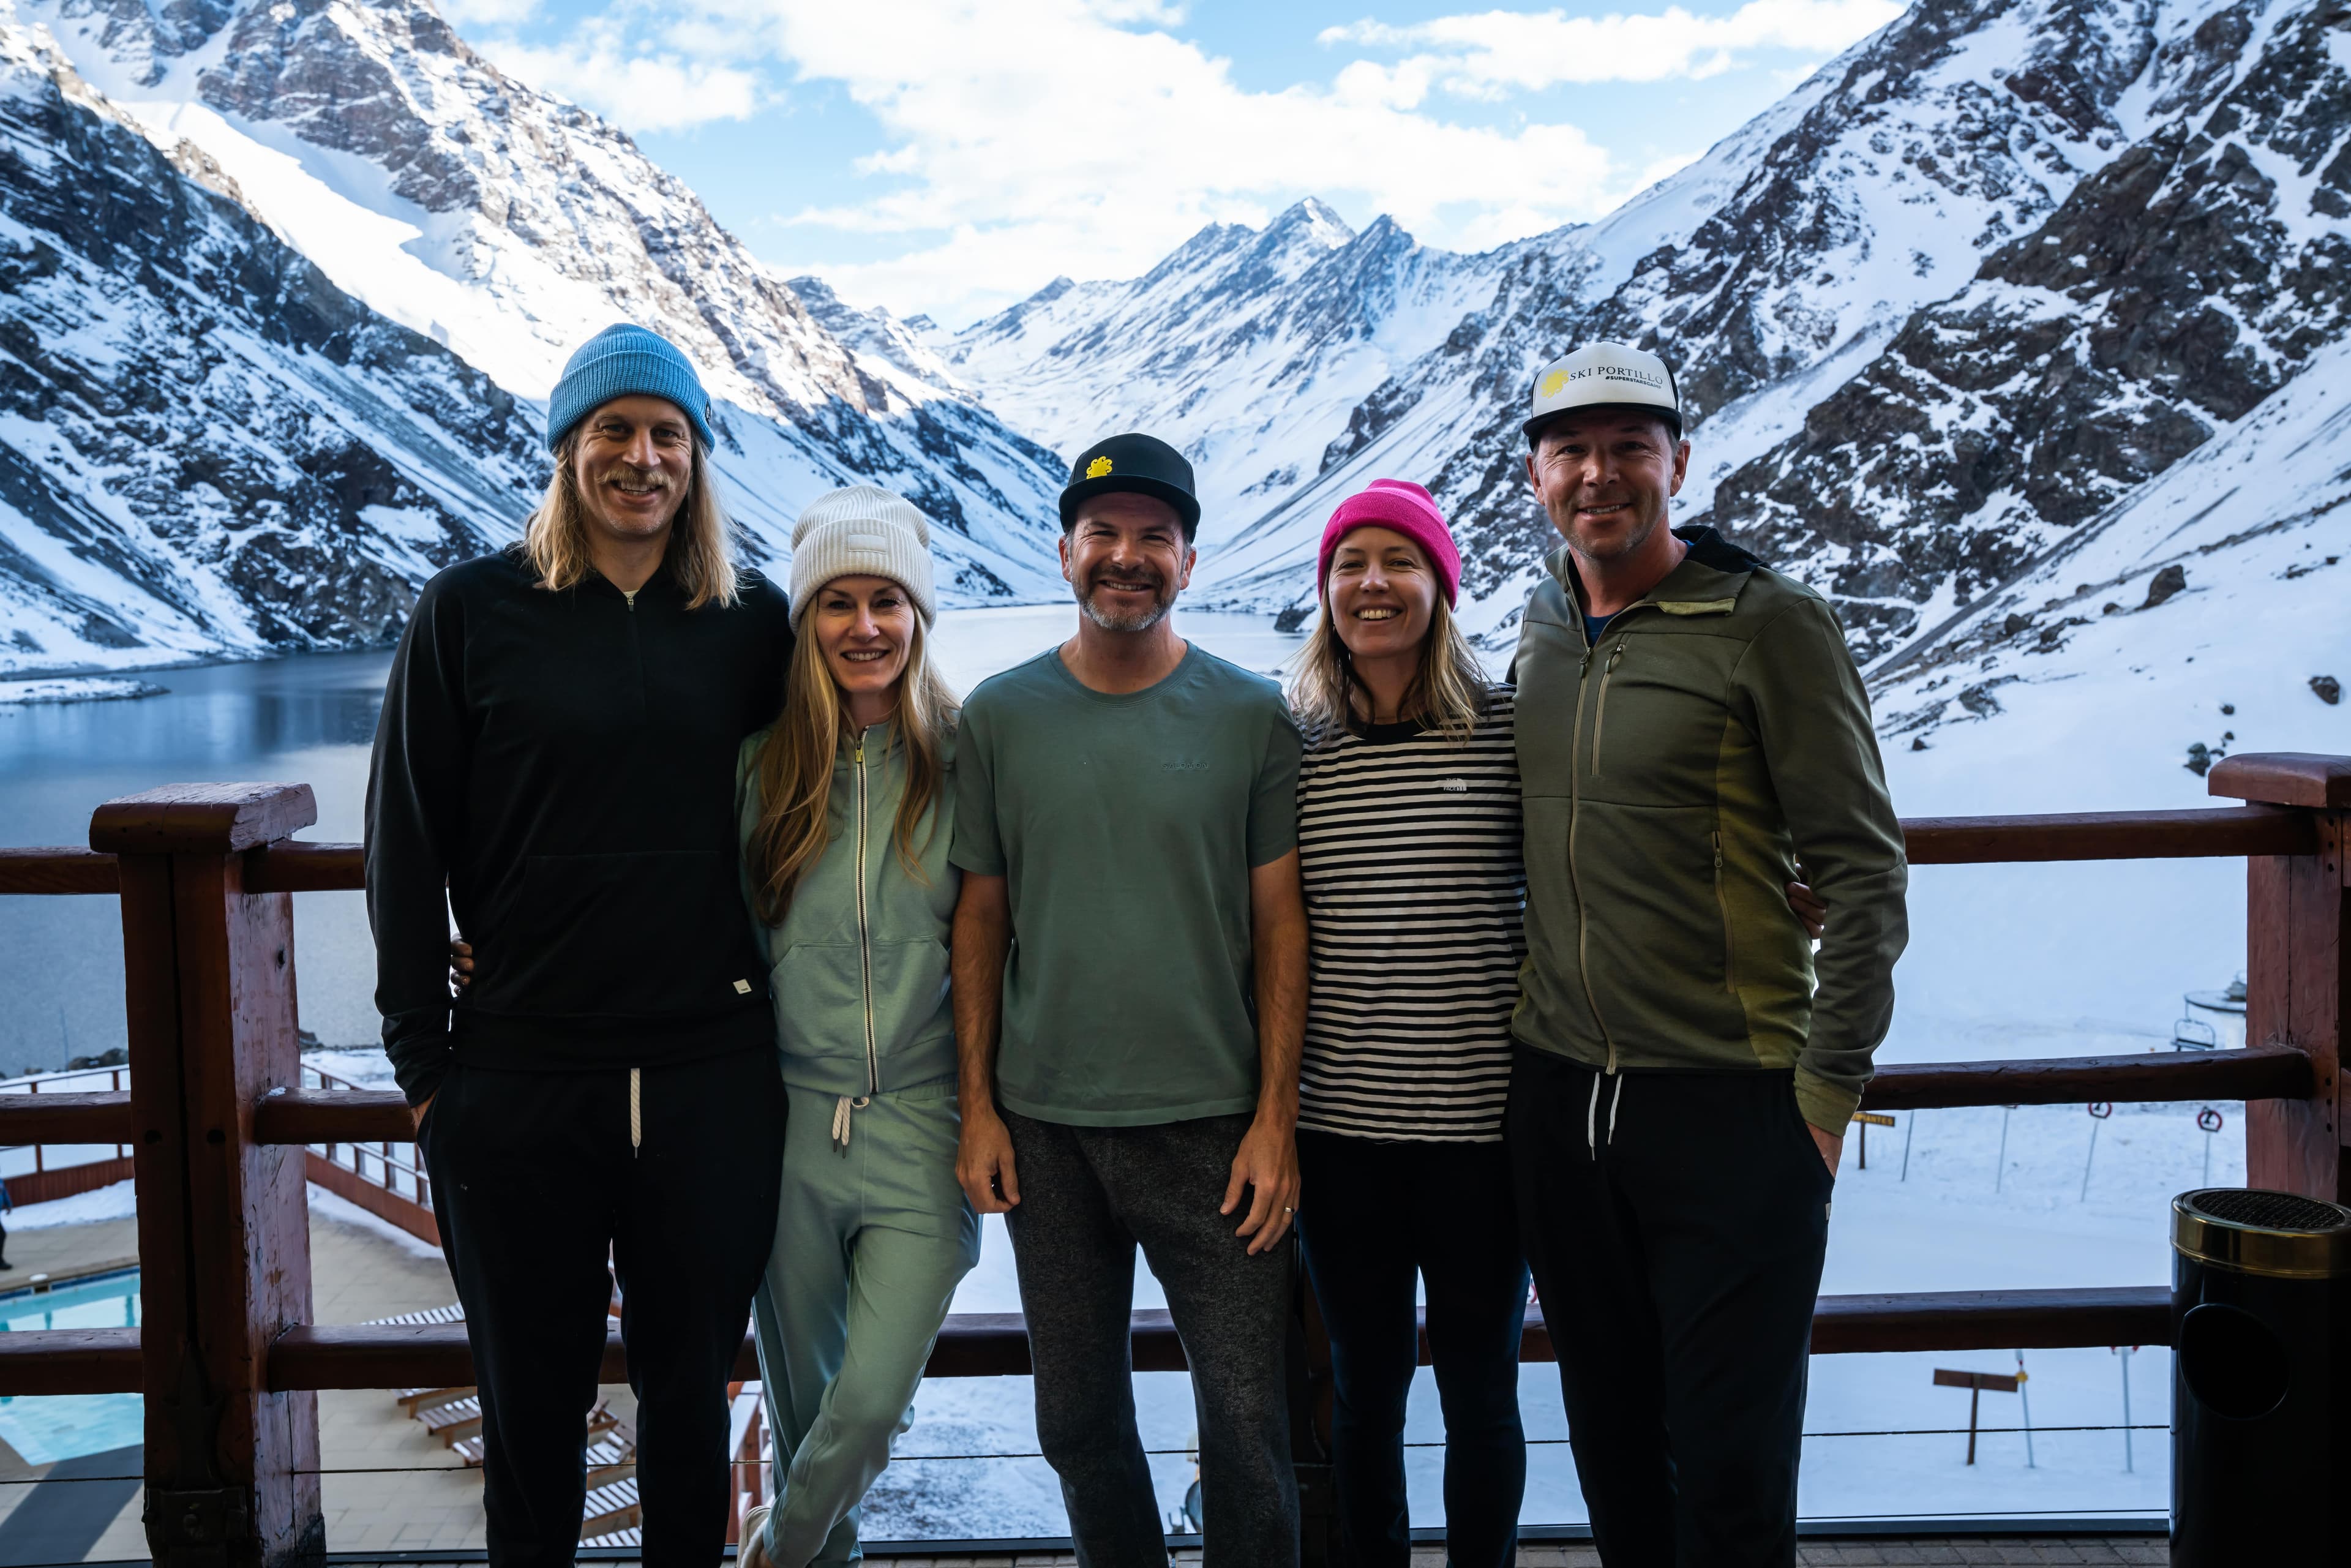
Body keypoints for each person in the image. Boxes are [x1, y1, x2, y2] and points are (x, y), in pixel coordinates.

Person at [367, 323, 794, 1568]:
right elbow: (405, 844)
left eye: (668, 435)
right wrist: (427, 1074)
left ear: (697, 460)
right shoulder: (470, 611)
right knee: (530, 1416)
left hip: (711, 1078)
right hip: (519, 1083)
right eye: (614, 430)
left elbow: (839, 796)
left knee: (688, 1411)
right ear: (568, 449)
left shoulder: (751, 623)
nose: (641, 458)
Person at [1505, 341, 1909, 1567]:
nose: (1599, 475)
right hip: (1562, 1100)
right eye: (1572, 451)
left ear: (1678, 463)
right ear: (1536, 476)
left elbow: (1863, 871)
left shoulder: (1768, 624)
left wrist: (1823, 1103)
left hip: (1730, 1106)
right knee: (1614, 1446)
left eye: (1630, 448)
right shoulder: (1543, 621)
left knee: (1731, 1467)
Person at [950, 433, 1309, 1567]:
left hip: (1216, 1133)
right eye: (1102, 533)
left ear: (1188, 562)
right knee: (1077, 1422)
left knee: (1248, 1431)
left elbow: (1281, 926)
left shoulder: (1251, 714)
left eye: (1155, 536)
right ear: (1065, 552)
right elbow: (979, 920)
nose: (1126, 555)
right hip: (1047, 1132)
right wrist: (977, 1107)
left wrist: (1277, 1120)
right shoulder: (998, 716)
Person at [733, 487, 979, 1568]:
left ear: (918, 615)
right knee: (803, 1410)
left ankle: (775, 1550)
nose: (866, 626)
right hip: (788, 1127)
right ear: (807, 621)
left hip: (925, 1120)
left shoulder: (968, 760)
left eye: (888, 601)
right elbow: (685, 920)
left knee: (870, 1401)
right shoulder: (760, 770)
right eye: (838, 602)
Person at [1287, 479, 1529, 1568]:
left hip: (1486, 1134)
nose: (1372, 583)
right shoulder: (1298, 746)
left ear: (1442, 585)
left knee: (1482, 1391)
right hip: (1341, 1136)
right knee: (1364, 1389)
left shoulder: (1507, 728)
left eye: (1400, 561)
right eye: (1351, 564)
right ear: (1327, 590)